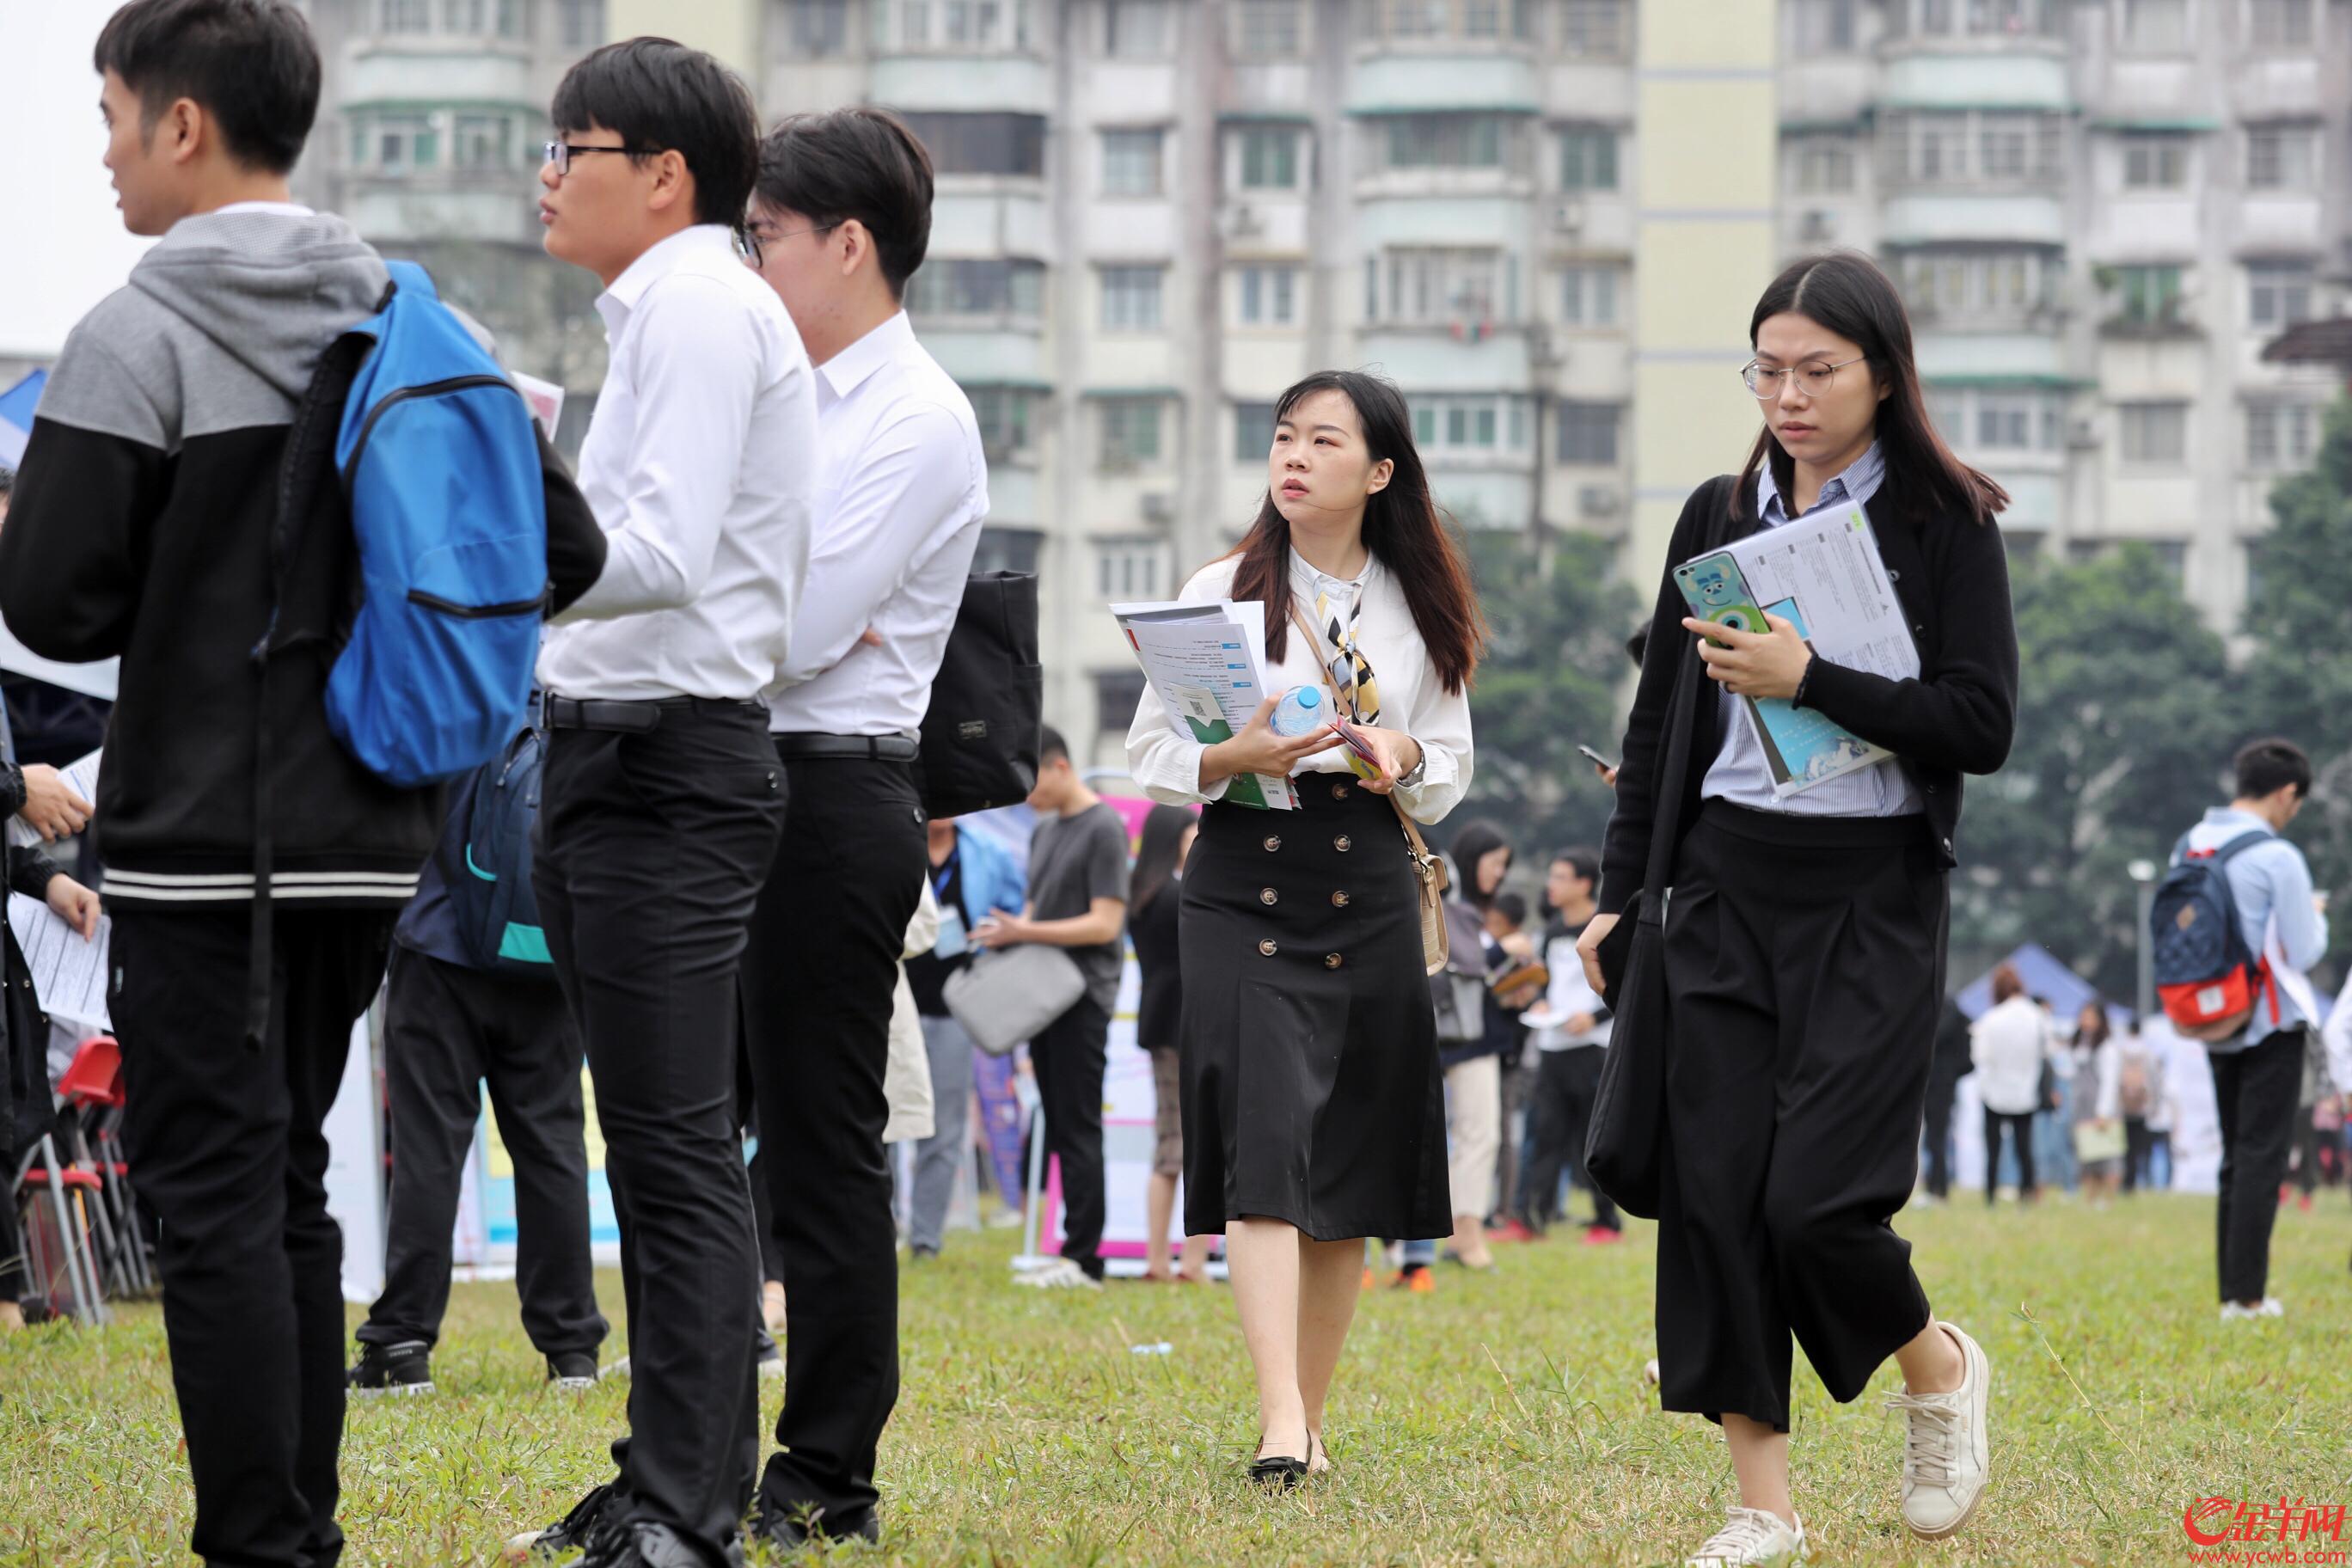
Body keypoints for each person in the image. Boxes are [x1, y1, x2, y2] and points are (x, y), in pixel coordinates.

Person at [0, 5, 602, 1562]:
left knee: (209, 1188)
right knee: (284, 1180)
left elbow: (53, 600)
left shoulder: (137, 331)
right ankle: (295, 1525)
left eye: (116, 116)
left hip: (204, 840)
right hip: (372, 836)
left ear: (184, 124)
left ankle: (265, 1542)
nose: (110, 152)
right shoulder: (418, 316)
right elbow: (570, 547)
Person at [1576, 252, 2016, 1563]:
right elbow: (1660, 722)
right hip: (1719, 882)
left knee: (1816, 1203)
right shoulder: (1716, 514)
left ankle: (1936, 1369)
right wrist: (1617, 897)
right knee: (1713, 1194)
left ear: (1884, 372)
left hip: (1870, 894)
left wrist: (1809, 673)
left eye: (1818, 370)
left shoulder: (1948, 521)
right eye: (1768, 370)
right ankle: (1760, 1506)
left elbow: (1978, 725)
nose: (1789, 394)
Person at [524, 35, 815, 1568]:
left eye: (568, 146)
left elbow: (659, 554)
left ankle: (689, 1511)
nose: (547, 177)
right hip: (616, 751)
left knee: (675, 1145)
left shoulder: (699, 305)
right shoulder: (666, 312)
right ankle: (658, 1475)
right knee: (655, 1140)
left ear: (664, 175)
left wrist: (508, 505)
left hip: (666, 762)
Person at [1124, 367, 1479, 1484]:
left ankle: (1308, 1421)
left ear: (1379, 472)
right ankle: (1280, 1418)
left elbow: (1452, 761)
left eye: (1324, 442)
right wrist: (1234, 756)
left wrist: (1404, 754)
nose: (1295, 458)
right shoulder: (1220, 587)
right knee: (1269, 1141)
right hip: (1244, 877)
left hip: (1367, 879)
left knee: (1352, 1168)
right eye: (1284, 437)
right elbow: (1150, 753)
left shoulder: (1419, 604)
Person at [727, 104, 987, 1549]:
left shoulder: (915, 415)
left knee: (821, 1147)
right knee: (696, 1132)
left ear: (847, 242)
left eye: (764, 234)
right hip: (725, 777)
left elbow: (800, 625)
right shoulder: (781, 393)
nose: (750, 259)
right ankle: (692, 1446)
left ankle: (828, 1468)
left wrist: (739, 592)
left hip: (831, 798)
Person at [346, 764, 607, 1397]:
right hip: (545, 948)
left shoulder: (454, 672)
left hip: (441, 943)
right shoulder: (571, 676)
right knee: (553, 1147)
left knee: (430, 1149)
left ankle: (404, 1342)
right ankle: (572, 1350)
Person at [2174, 738, 2328, 1321]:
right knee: (2263, 1156)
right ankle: (2247, 1297)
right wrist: (2317, 916)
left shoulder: (2189, 843)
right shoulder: (2277, 856)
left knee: (2235, 1157)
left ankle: (2232, 1291)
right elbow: (2304, 948)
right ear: (2287, 793)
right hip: (2267, 1019)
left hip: (2211, 1016)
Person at [971, 728, 1129, 1289]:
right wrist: (1010, 936)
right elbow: (1037, 908)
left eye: (1031, 779)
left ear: (1060, 767)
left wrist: (1026, 929)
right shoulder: (1042, 833)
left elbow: (1106, 923)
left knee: (1079, 1126)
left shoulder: (1105, 827)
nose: (1026, 794)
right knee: (1059, 1125)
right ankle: (1068, 1248)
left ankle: (1085, 1260)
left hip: (1082, 995)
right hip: (1040, 995)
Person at [903, 816, 1026, 1258]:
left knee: (944, 1126)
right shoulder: (899, 839)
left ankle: (924, 1239)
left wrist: (999, 937)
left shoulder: (987, 850)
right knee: (877, 1121)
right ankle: (873, 1231)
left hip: (958, 1007)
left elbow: (1017, 910)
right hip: (893, 1004)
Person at [1515, 849, 1619, 1241]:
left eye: (1560, 877)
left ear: (1584, 884)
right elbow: (1545, 980)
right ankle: (1533, 1219)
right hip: (1552, 1046)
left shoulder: (1606, 928)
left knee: (1592, 1137)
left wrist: (1592, 1018)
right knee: (1545, 1134)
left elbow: (1625, 988)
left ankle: (1606, 1221)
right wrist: (1540, 1000)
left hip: (1592, 1047)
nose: (1551, 885)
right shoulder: (1553, 929)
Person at [1130, 804, 1214, 1283]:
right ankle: (1187, 1263)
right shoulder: (1179, 898)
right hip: (1189, 1026)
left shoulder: (1145, 893)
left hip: (1162, 1025)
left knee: (1171, 1140)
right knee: (1194, 1143)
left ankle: (1162, 1260)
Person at [1436, 820, 1514, 1271]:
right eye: (1495, 862)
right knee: (1477, 1134)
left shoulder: (1477, 909)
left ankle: (1465, 1232)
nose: (1499, 874)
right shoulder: (1453, 903)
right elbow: (1468, 962)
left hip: (1477, 1031)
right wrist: (1506, 951)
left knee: (1478, 1134)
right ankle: (1464, 1237)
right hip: (1456, 1032)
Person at [1971, 968, 2046, 1204]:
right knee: (2024, 1149)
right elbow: (2046, 1052)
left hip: (1994, 1092)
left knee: (1993, 1150)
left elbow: (1980, 1057)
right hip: (2026, 1092)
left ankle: (1991, 1196)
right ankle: (2027, 1194)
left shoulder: (1991, 1019)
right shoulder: (2037, 1017)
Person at [2070, 1004, 2123, 1210]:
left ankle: (2107, 1199)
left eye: (2090, 1017)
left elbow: (2110, 1082)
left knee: (2107, 1155)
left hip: (2100, 1107)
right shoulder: (2080, 1044)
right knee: (2087, 1156)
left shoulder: (2107, 1047)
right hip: (2082, 1106)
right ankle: (2090, 1197)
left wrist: (2103, 1111)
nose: (2086, 1022)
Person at [1921, 997, 1972, 1204]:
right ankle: (1937, 1186)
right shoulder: (1959, 1016)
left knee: (1935, 1139)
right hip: (1946, 1084)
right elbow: (1967, 1062)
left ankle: (1937, 1187)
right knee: (1938, 1138)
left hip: (1933, 1083)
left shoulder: (1935, 1014)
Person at [2116, 1016, 2162, 1195]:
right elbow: (2156, 1081)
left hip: (2123, 1107)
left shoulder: (2120, 1050)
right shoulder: (2148, 1052)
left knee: (2124, 1147)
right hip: (2143, 1107)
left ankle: (2125, 1182)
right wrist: (2155, 1104)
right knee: (2139, 1147)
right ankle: (2137, 1181)